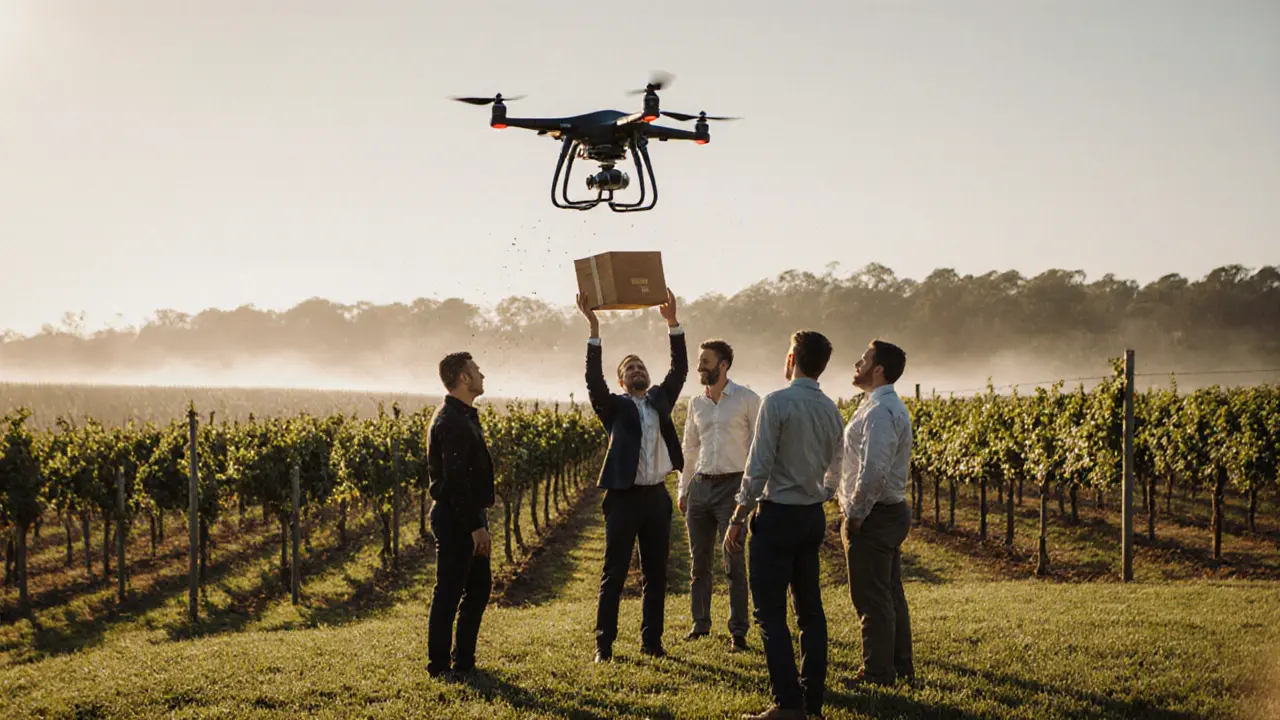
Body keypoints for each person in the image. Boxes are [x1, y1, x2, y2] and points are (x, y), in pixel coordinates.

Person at [724, 331, 844, 720]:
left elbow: (758, 467)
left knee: (771, 613)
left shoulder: (776, 402)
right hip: (811, 517)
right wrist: (822, 494)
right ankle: (812, 703)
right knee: (810, 611)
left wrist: (739, 516)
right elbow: (837, 469)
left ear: (792, 358)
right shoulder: (831, 408)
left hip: (776, 517)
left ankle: (788, 704)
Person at [577, 288, 687, 663]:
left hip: (656, 497)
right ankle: (603, 646)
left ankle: (651, 643)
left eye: (641, 366)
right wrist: (594, 327)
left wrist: (672, 324)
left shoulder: (661, 400)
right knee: (615, 574)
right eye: (630, 369)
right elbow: (593, 380)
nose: (637, 370)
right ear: (621, 382)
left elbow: (680, 370)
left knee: (657, 575)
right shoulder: (614, 408)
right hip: (623, 498)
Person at [836, 340, 914, 688]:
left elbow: (873, 471)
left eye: (864, 359)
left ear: (878, 368)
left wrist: (856, 514)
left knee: (870, 597)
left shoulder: (881, 411)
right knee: (888, 592)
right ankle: (899, 666)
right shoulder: (876, 405)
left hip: (875, 514)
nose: (858, 363)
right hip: (885, 512)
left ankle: (879, 673)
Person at [678, 339, 760, 651]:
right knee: (698, 562)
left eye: (706, 361)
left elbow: (757, 449)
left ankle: (738, 632)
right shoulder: (696, 404)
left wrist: (749, 494)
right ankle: (700, 624)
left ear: (723, 364)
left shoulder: (747, 399)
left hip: (733, 488)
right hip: (700, 486)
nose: (700, 367)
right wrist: (684, 488)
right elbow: (690, 448)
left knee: (734, 560)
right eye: (700, 361)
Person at [425, 351, 495, 678]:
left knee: (478, 588)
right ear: (463, 378)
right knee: (450, 592)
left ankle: (463, 661)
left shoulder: (463, 415)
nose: (482, 374)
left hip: (468, 515)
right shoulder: (450, 421)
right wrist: (475, 527)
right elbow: (455, 483)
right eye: (476, 370)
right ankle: (439, 667)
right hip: (455, 518)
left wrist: (479, 521)